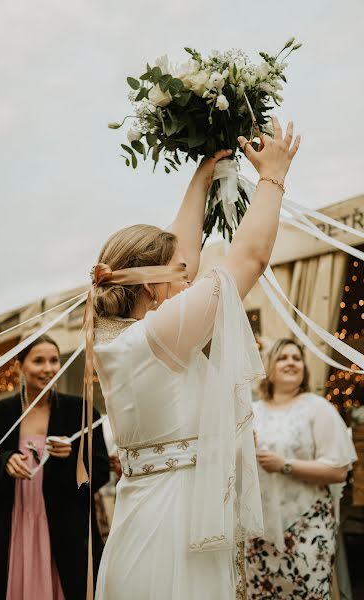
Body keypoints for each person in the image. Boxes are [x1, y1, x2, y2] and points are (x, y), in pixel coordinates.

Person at [89, 118, 300, 599]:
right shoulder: (156, 335)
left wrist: (202, 176)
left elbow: (178, 256)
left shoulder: (116, 336)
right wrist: (273, 177)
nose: (189, 282)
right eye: (180, 278)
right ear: (148, 284)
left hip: (148, 513)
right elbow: (248, 259)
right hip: (172, 523)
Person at [0, 335, 110, 600]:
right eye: (38, 361)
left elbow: (100, 472)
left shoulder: (81, 411)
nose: (48, 368)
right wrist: (4, 464)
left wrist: (71, 461)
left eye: (54, 360)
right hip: (14, 527)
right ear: (20, 366)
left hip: (66, 531)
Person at [246, 338, 357, 600]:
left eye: (296, 358)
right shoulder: (251, 412)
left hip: (306, 526)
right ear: (268, 368)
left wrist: (284, 465)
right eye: (283, 357)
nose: (291, 363)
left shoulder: (317, 408)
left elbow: (339, 470)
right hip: (259, 530)